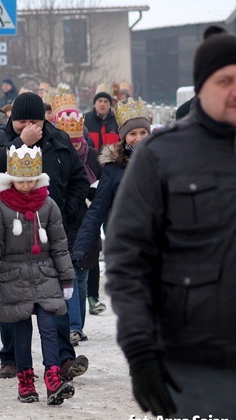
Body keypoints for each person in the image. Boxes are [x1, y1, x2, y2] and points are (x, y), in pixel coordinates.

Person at [104, 29, 236, 420]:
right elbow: (127, 262)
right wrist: (141, 353)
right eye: (225, 81)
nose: (235, 90)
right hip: (195, 365)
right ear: (201, 87)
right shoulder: (160, 157)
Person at [0, 91, 89, 381]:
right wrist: (19, 143)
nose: (29, 126)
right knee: (14, 301)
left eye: (35, 120)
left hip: (51, 232)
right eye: (22, 121)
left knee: (55, 301)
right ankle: (11, 358)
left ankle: (64, 358)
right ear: (12, 118)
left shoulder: (59, 140)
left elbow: (79, 179)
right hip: (12, 234)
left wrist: (69, 212)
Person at [0, 144, 76, 405]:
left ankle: (53, 378)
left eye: (31, 179)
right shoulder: (1, 207)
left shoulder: (48, 205)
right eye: (21, 180)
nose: (26, 184)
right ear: (12, 179)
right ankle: (25, 381)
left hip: (45, 273)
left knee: (48, 327)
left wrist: (66, 277)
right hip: (13, 275)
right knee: (21, 333)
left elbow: (59, 244)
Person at [71, 98, 150, 327]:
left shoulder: (162, 162)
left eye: (143, 132)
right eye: (133, 133)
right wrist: (82, 245)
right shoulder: (113, 169)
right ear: (124, 136)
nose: (138, 138)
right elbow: (97, 210)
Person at [52, 103, 103, 344]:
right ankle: (73, 326)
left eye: (77, 141)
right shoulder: (56, 154)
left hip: (89, 221)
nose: (74, 145)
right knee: (70, 273)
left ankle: (78, 325)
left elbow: (105, 187)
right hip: (65, 219)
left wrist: (93, 194)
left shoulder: (94, 157)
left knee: (82, 276)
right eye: (69, 140)